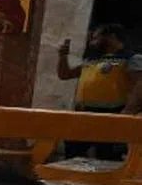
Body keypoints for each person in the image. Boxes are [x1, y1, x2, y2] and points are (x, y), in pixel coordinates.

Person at [57, 24, 142, 159]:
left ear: (111, 37)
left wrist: (129, 110)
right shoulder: (91, 61)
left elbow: (139, 84)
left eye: (96, 38)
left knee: (107, 157)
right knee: (73, 153)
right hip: (84, 114)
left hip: (112, 116)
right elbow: (65, 74)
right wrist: (62, 56)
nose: (92, 42)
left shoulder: (131, 58)